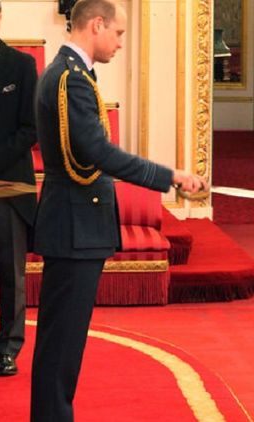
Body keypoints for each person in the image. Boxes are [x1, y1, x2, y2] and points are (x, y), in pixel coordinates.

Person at [29, 1, 207, 420]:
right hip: (74, 227)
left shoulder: (73, 74)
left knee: (63, 347)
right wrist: (170, 176)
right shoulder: (70, 79)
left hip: (76, 225)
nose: (121, 43)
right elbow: (98, 152)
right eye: (119, 33)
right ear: (97, 25)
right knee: (61, 348)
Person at [0, 0, 38, 377]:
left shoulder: (21, 65)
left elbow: (31, 128)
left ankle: (8, 348)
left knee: (11, 272)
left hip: (6, 181)